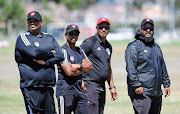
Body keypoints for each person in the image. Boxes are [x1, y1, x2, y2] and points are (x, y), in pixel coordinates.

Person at [15, 11, 64, 114]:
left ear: (41, 23)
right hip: (31, 85)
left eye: (35, 21)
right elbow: (34, 53)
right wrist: (51, 53)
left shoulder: (49, 38)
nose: (32, 23)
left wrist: (46, 63)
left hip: (48, 85)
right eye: (30, 21)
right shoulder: (23, 38)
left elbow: (60, 55)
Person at [125, 18, 171, 114]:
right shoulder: (134, 46)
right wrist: (136, 85)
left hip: (156, 92)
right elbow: (131, 68)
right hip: (142, 92)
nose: (148, 30)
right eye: (146, 28)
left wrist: (166, 84)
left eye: (151, 28)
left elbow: (162, 66)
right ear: (141, 29)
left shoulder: (156, 47)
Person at [80, 17, 118, 114]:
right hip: (90, 85)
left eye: (106, 27)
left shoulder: (108, 46)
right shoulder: (90, 42)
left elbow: (108, 68)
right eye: (101, 27)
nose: (103, 29)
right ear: (96, 28)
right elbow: (77, 57)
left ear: (109, 29)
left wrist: (112, 86)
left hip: (102, 86)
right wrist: (81, 81)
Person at [56, 24, 93, 114]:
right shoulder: (62, 51)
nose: (74, 36)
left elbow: (90, 66)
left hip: (79, 90)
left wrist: (75, 66)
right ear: (66, 35)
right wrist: (82, 66)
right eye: (71, 34)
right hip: (65, 91)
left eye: (76, 34)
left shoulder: (80, 50)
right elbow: (69, 72)